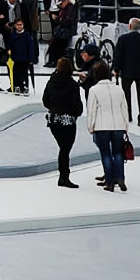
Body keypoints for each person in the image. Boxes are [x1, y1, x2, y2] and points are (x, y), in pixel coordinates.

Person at [85, 62, 132, 191]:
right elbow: (124, 109)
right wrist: (126, 126)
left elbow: (92, 110)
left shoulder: (94, 90)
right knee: (118, 153)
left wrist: (90, 127)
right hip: (118, 125)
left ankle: (109, 182)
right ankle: (120, 178)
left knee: (105, 154)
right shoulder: (118, 89)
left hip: (101, 126)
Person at [42, 58, 84, 187]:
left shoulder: (51, 81)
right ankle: (64, 177)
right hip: (67, 121)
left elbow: (45, 100)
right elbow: (77, 105)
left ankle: (63, 176)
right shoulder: (72, 84)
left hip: (53, 119)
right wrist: (75, 113)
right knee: (65, 149)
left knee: (63, 148)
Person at [113, 17, 140, 128]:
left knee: (126, 95)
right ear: (139, 27)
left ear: (130, 26)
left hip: (126, 71)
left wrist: (116, 69)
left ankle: (128, 116)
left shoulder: (122, 39)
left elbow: (118, 56)